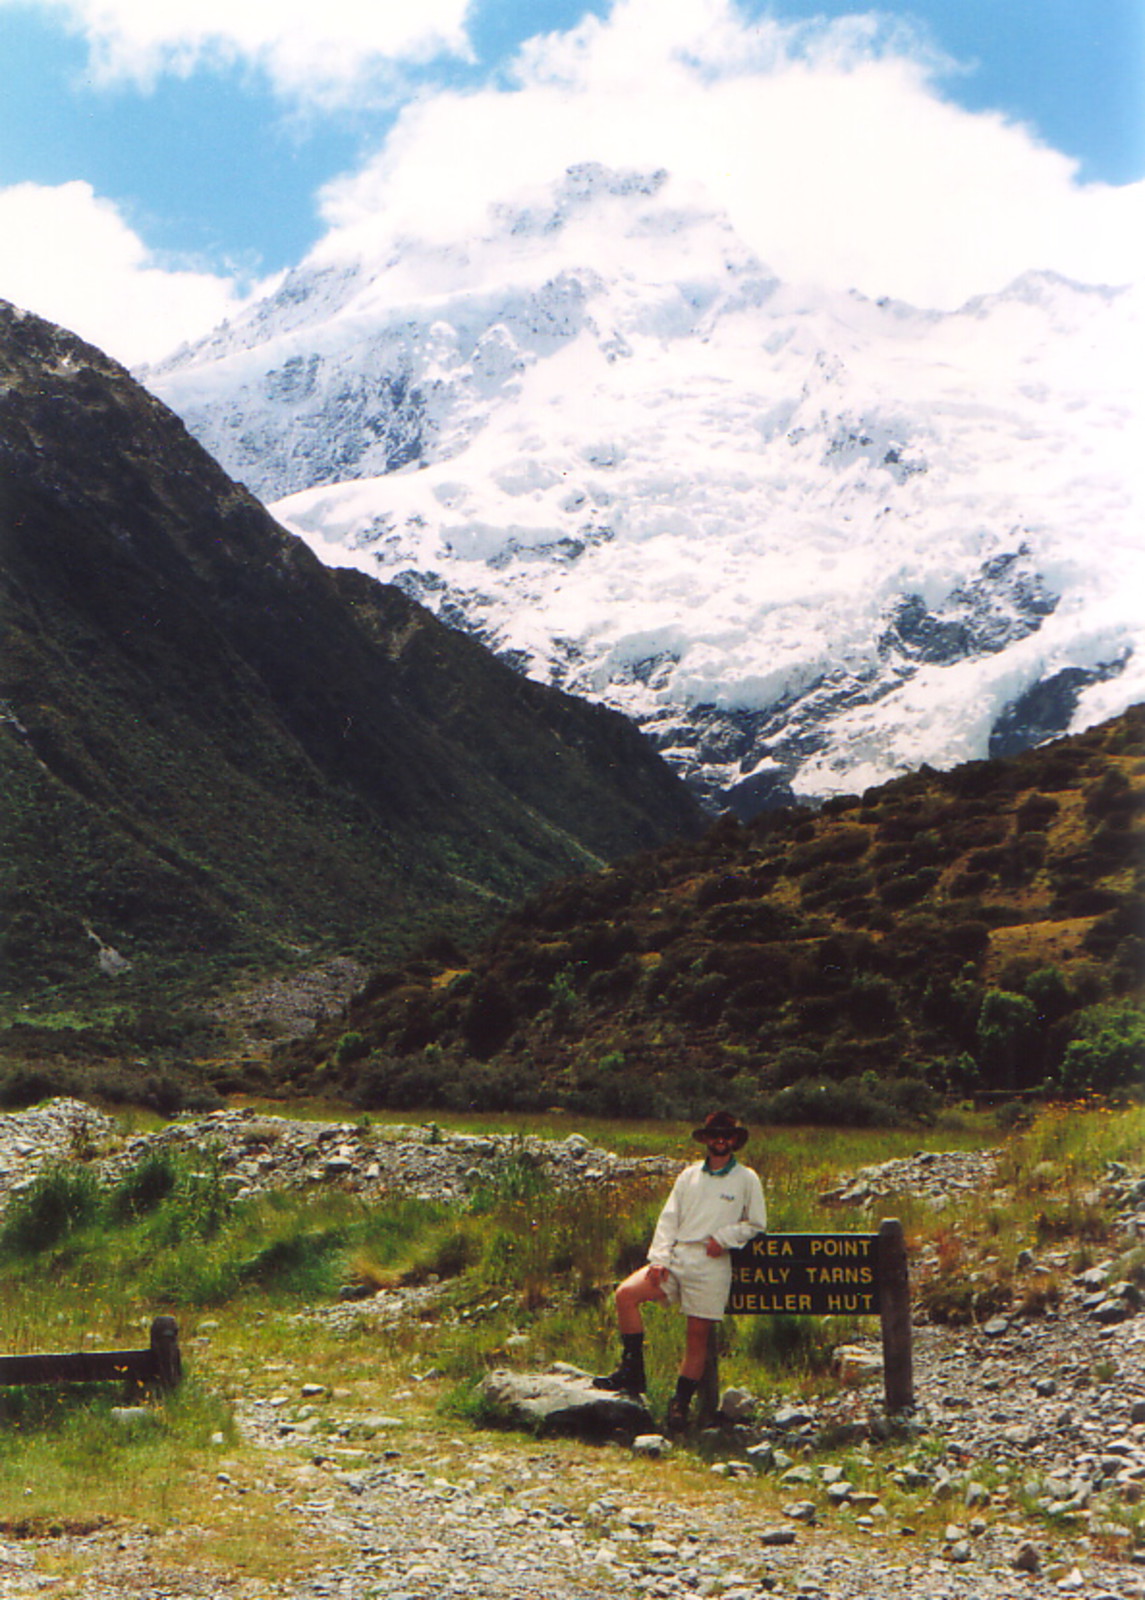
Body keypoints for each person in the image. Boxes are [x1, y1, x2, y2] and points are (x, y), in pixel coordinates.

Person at [594, 1110, 766, 1432]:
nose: (720, 1140)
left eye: (726, 1136)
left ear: (734, 1141)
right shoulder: (688, 1176)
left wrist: (725, 1239)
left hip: (712, 1262)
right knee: (626, 1295)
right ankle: (633, 1372)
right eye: (714, 1134)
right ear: (706, 1138)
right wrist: (659, 1258)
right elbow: (668, 1218)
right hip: (677, 1257)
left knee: (696, 1337)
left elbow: (756, 1224)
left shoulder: (747, 1179)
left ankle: (679, 1406)